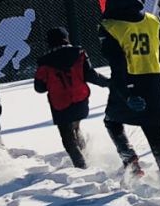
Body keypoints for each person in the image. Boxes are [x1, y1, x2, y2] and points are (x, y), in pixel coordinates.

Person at [99, 0, 160, 185]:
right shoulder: (152, 20)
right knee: (158, 137)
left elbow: (117, 64)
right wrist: (159, 77)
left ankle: (130, 161)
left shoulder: (109, 26)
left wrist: (127, 93)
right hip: (152, 82)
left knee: (111, 121)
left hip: (128, 81)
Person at [34, 27, 110, 169]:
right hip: (80, 101)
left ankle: (82, 167)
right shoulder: (79, 53)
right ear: (66, 38)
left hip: (60, 105)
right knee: (76, 126)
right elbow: (91, 75)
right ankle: (88, 157)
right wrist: (109, 83)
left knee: (68, 139)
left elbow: (39, 88)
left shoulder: (44, 62)